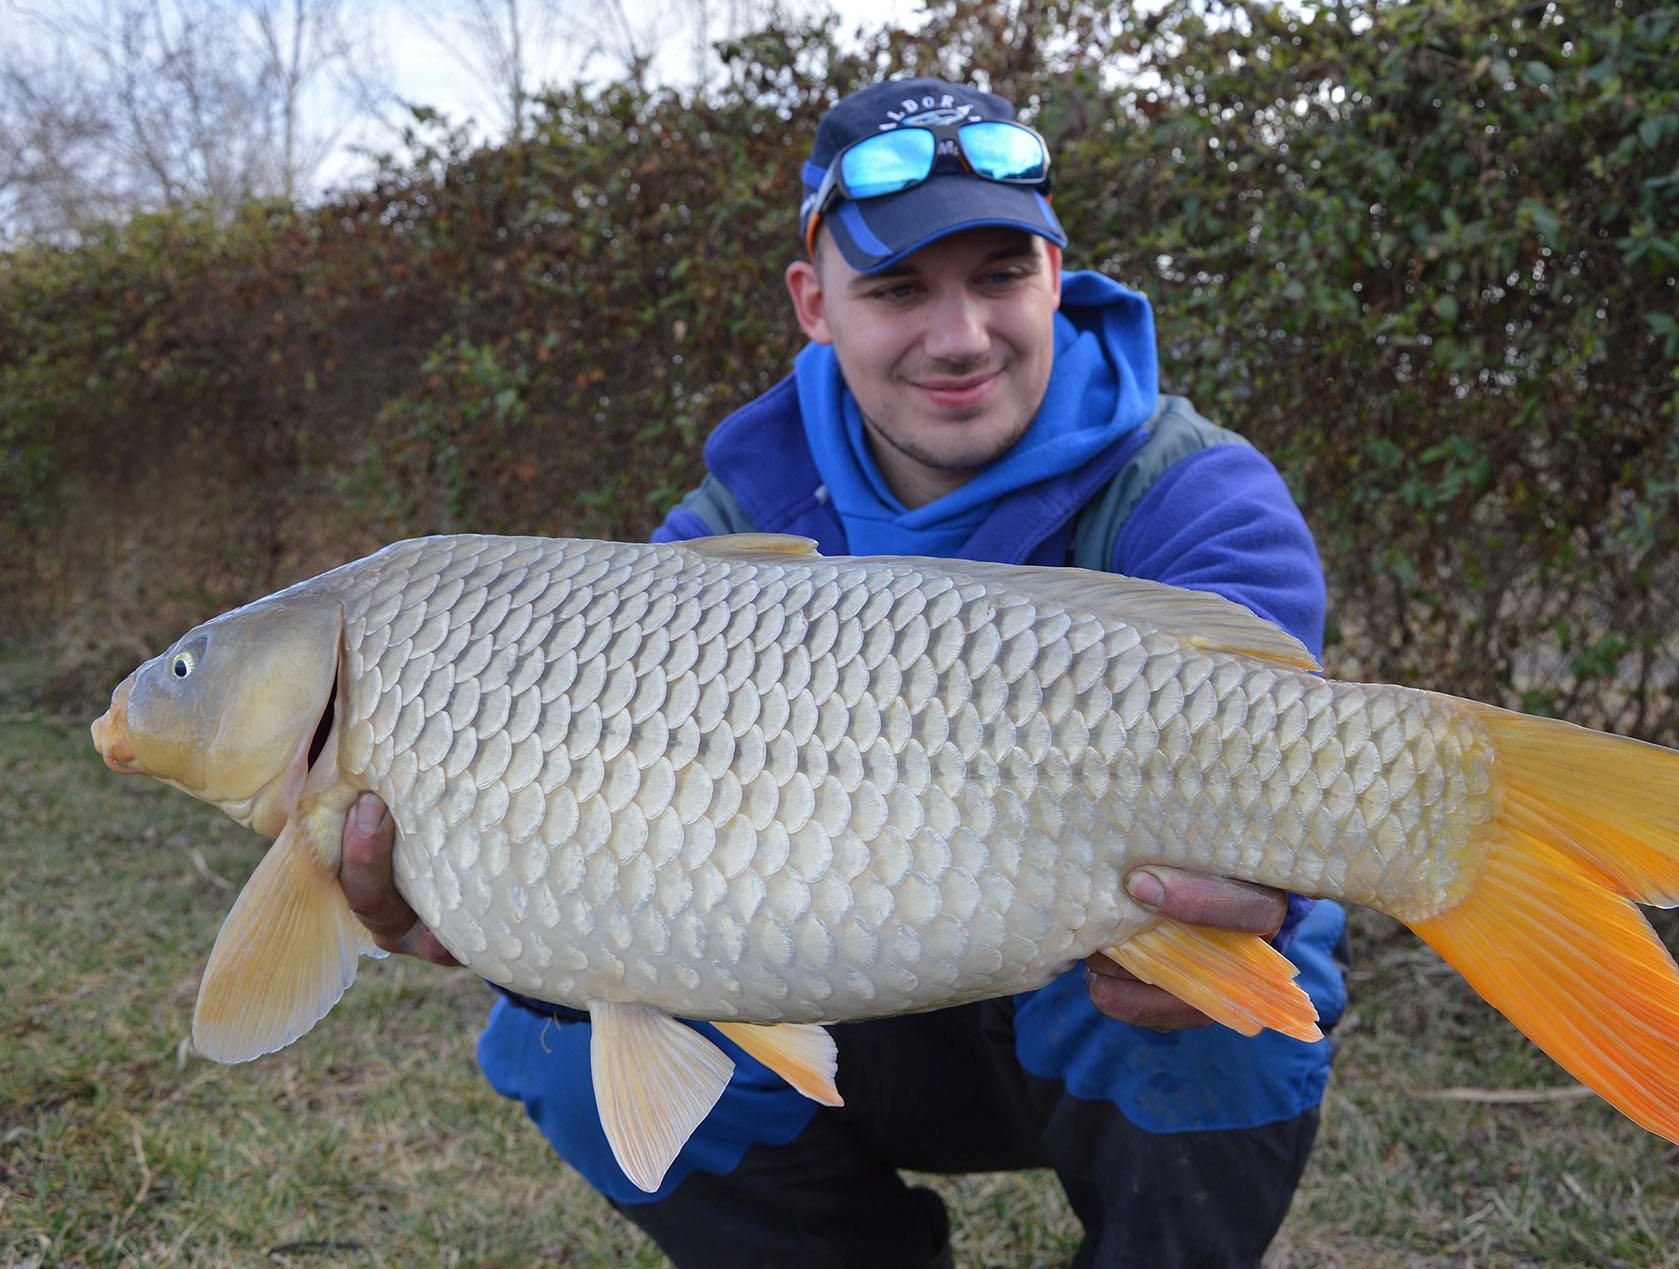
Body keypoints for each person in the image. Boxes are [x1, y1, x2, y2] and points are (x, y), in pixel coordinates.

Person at [339, 77, 1347, 1268]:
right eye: (899, 289)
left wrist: (1265, 893)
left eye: (1001, 275)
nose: (960, 335)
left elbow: (1273, 825)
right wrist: (528, 929)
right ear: (815, 304)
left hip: (1097, 997)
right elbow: (612, 862)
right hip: (826, 987)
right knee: (548, 1038)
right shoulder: (726, 528)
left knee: (1233, 1000)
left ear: (1057, 273)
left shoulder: (1196, 501)